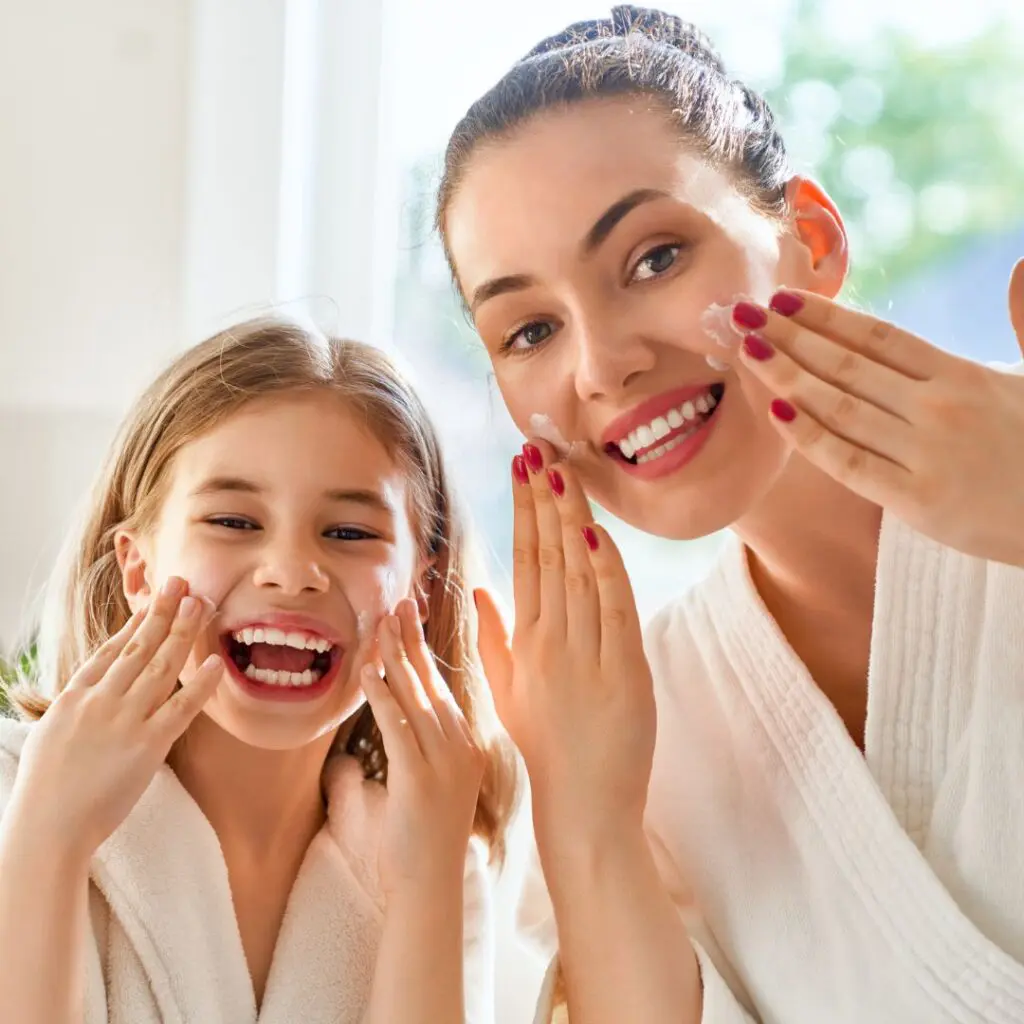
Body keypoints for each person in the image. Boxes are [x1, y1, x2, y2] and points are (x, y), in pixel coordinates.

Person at [436, 5, 1024, 1022]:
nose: (600, 364)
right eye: (528, 328)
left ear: (808, 240)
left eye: (654, 258)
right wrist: (586, 817)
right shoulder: (637, 727)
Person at [0, 317, 517, 1024]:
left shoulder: (435, 852)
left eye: (350, 533)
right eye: (234, 522)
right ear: (139, 569)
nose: (291, 573)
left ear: (421, 590)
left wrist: (425, 881)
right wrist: (47, 838)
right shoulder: (16, 793)